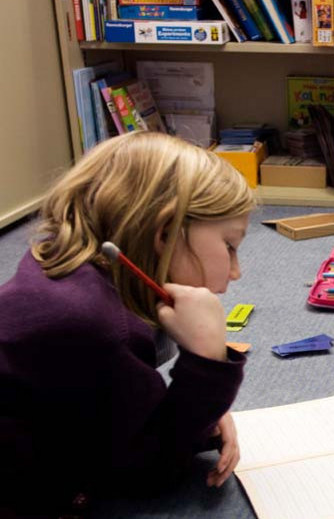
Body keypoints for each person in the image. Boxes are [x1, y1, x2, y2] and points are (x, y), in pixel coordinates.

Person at [0, 131, 256, 517]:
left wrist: (204, 413)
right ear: (166, 233)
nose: (235, 272)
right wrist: (207, 368)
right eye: (230, 246)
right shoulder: (98, 328)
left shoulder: (65, 266)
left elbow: (121, 406)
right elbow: (149, 468)